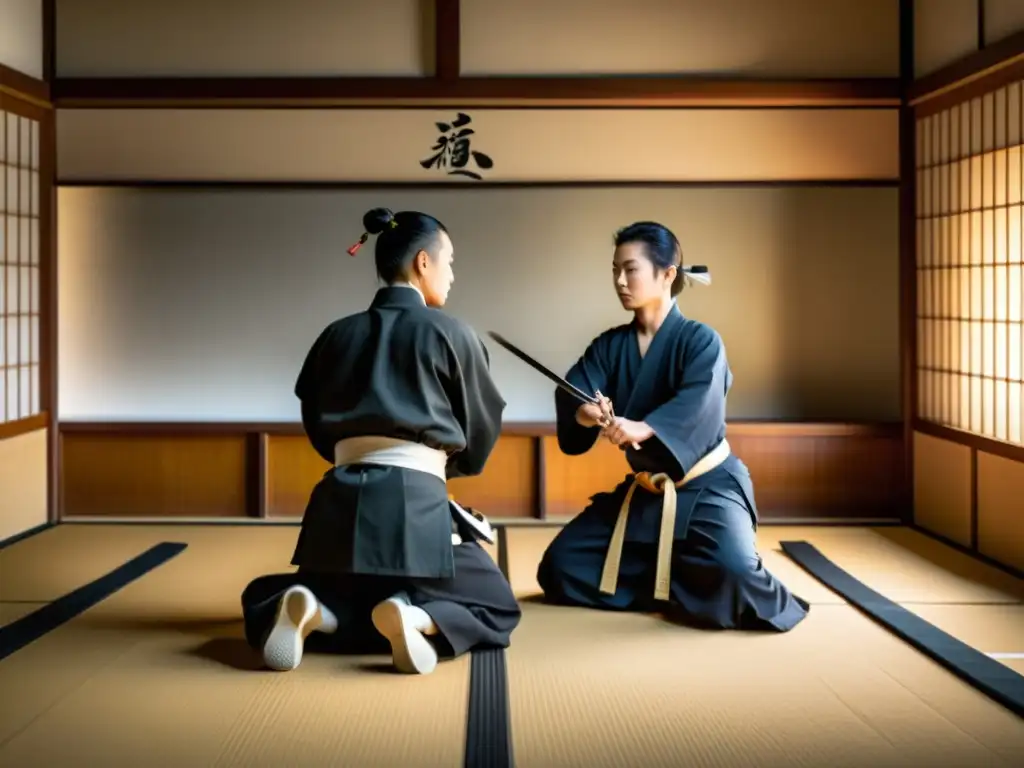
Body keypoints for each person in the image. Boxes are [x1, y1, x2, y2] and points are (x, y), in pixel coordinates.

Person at [240, 207, 521, 675]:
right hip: (415, 506)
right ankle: (415, 615)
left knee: (289, 593)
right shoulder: (453, 333)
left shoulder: (335, 335)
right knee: (495, 603)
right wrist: (445, 468)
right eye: (448, 260)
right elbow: (481, 427)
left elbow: (317, 426)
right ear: (423, 263)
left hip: (337, 503)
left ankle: (315, 608)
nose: (452, 273)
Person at [536, 221, 809, 632]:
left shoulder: (701, 341)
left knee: (735, 576)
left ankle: (688, 574)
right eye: (615, 269)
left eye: (630, 269)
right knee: (561, 566)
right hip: (647, 491)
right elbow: (576, 388)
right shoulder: (609, 346)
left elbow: (698, 404)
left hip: (707, 487)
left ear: (667, 274)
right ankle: (682, 581)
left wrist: (644, 428)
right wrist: (584, 412)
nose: (619, 280)